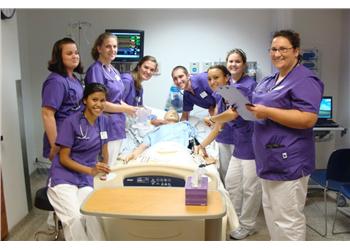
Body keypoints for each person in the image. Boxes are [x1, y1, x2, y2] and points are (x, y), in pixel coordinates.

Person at [246, 30, 324, 240]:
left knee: (288, 221)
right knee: (272, 214)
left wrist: (267, 112)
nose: (277, 53)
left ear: (296, 51)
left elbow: (308, 118)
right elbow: (258, 107)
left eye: (283, 49)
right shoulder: (270, 80)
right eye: (273, 49)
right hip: (268, 159)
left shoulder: (305, 79)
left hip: (289, 161)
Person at [197, 61, 261, 240]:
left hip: (253, 142)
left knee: (250, 187)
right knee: (232, 183)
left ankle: (248, 225)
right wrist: (201, 146)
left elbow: (233, 114)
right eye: (209, 79)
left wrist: (212, 118)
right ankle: (235, 220)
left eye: (216, 77)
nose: (212, 81)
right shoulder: (219, 97)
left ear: (226, 78)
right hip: (240, 143)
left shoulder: (236, 91)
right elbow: (218, 126)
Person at [47, 83, 111, 240]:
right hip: (63, 176)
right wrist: (90, 170)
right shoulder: (71, 122)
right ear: (85, 101)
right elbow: (63, 158)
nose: (99, 104)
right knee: (75, 217)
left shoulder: (104, 121)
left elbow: (104, 151)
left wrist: (104, 168)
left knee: (92, 214)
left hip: (85, 179)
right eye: (94, 99)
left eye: (102, 100)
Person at [85, 32, 138, 167]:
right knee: (104, 167)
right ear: (99, 48)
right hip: (103, 124)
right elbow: (98, 104)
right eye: (108, 46)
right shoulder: (96, 70)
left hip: (116, 124)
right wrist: (126, 109)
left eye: (115, 46)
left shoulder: (113, 71)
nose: (112, 50)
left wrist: (131, 109)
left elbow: (116, 98)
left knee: (111, 165)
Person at [41, 37, 84, 161]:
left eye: (76, 53)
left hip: (75, 136)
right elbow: (47, 114)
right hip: (62, 139)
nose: (75, 56)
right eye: (69, 53)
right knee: (62, 177)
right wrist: (56, 145)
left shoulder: (74, 78)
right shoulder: (56, 82)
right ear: (59, 57)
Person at [122, 109, 197, 162]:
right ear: (164, 118)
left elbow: (193, 141)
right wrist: (133, 155)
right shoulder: (154, 131)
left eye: (175, 113)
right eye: (169, 112)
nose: (173, 113)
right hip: (157, 151)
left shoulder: (185, 125)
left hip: (179, 151)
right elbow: (143, 146)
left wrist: (200, 153)